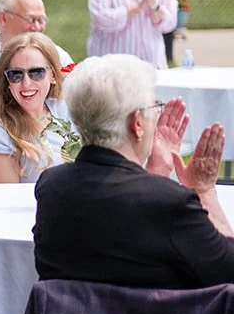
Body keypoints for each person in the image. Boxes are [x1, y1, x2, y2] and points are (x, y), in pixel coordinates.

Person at [33, 53, 233, 286]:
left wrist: (157, 170)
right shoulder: (172, 203)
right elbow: (228, 270)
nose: (156, 116)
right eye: (155, 107)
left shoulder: (51, 186)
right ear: (137, 123)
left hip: (68, 312)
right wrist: (204, 191)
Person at [0, 34, 72, 184]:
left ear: (53, 75)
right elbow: (7, 194)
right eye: (16, 74)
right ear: (7, 81)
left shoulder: (67, 110)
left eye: (37, 73)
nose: (26, 84)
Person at [0, 0, 73, 66]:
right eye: (30, 19)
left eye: (41, 20)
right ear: (3, 18)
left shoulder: (59, 57)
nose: (37, 27)